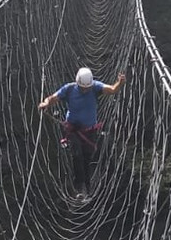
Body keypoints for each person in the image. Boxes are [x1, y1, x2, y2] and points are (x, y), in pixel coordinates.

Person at [38, 67, 125, 197]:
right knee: (77, 154)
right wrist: (45, 103)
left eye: (87, 88)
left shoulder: (95, 87)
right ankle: (80, 188)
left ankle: (87, 188)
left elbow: (112, 90)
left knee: (86, 158)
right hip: (73, 129)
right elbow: (53, 98)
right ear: (77, 83)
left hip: (90, 132)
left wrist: (120, 83)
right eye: (82, 87)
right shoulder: (69, 89)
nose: (85, 90)